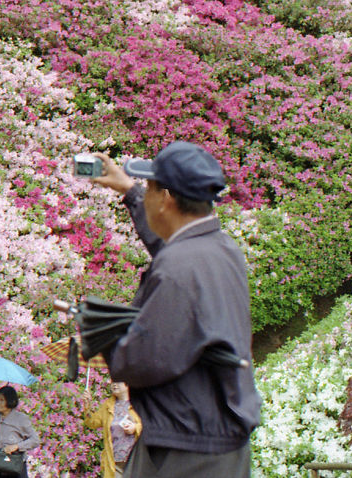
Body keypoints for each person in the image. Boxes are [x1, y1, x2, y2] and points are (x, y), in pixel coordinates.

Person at [89, 141, 261, 478]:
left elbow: (143, 361)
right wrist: (130, 190)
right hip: (218, 440)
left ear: (166, 199)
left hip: (188, 452)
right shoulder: (222, 248)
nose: (147, 195)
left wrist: (101, 332)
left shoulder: (178, 269)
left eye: (149, 188)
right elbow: (174, 247)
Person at [0, 385, 40, 478]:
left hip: (16, 467)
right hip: (0, 466)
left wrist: (16, 446)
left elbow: (35, 440)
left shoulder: (21, 418)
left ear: (11, 401)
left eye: (2, 400)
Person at [83, 382, 142, 478]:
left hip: (135, 462)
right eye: (113, 381)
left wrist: (135, 428)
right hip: (114, 463)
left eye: (118, 381)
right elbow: (92, 422)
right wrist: (87, 405)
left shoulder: (139, 404)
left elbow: (151, 426)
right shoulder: (108, 405)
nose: (114, 384)